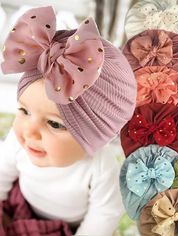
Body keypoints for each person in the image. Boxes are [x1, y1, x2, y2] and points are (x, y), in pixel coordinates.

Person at [0, 6, 136, 235]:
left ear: (96, 136)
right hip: (19, 203)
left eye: (54, 124)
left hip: (69, 227)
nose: (29, 132)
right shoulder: (17, 139)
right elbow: (1, 173)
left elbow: (102, 217)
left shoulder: (101, 168)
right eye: (24, 111)